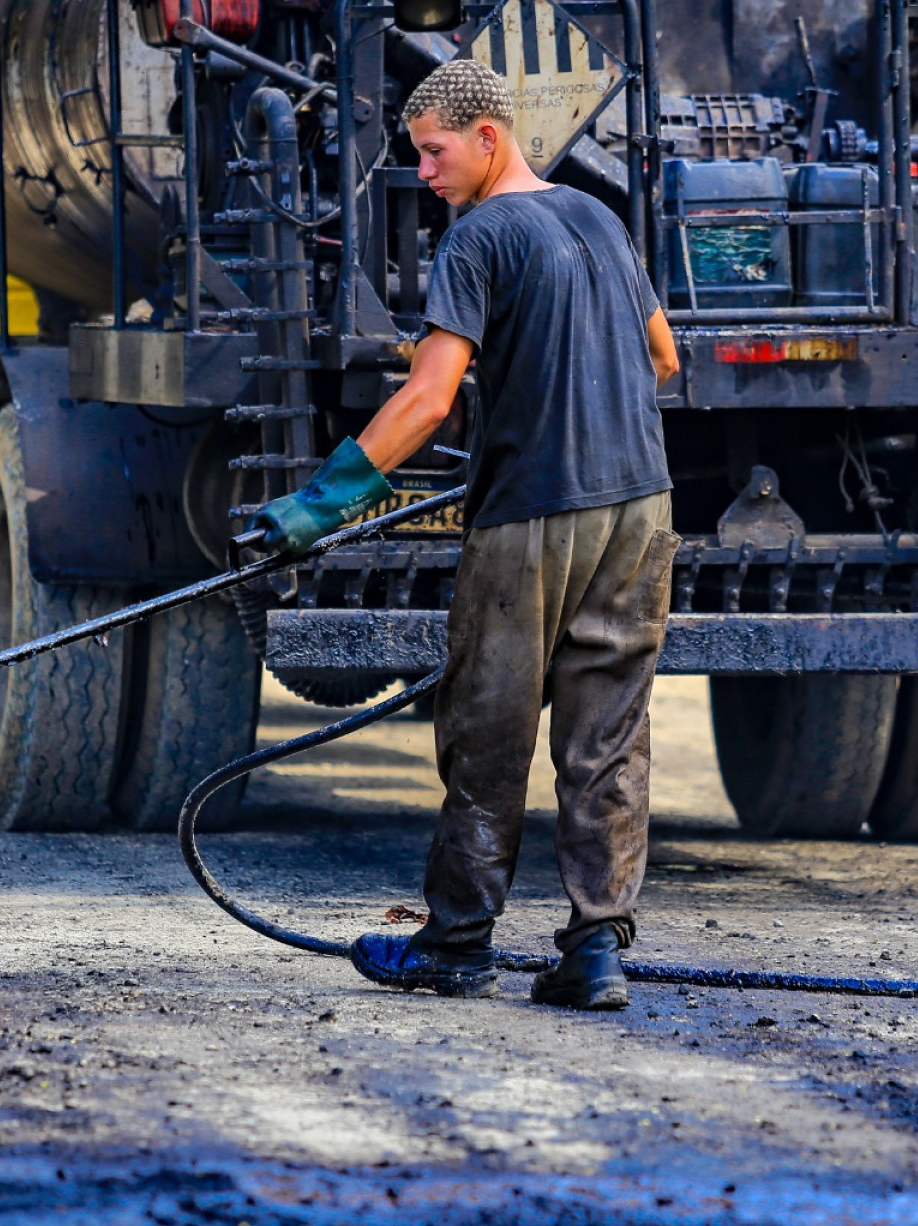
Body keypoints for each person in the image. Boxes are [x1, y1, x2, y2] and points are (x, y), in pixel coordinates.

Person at [251, 58, 681, 1011]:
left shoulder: (479, 238)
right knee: (608, 733)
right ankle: (597, 953)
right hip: (641, 507)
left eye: (436, 152)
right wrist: (583, 413)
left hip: (533, 516)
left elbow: (430, 401)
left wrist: (316, 507)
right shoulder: (599, 218)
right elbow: (663, 355)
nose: (427, 173)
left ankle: (454, 945)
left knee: (487, 727)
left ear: (489, 139)